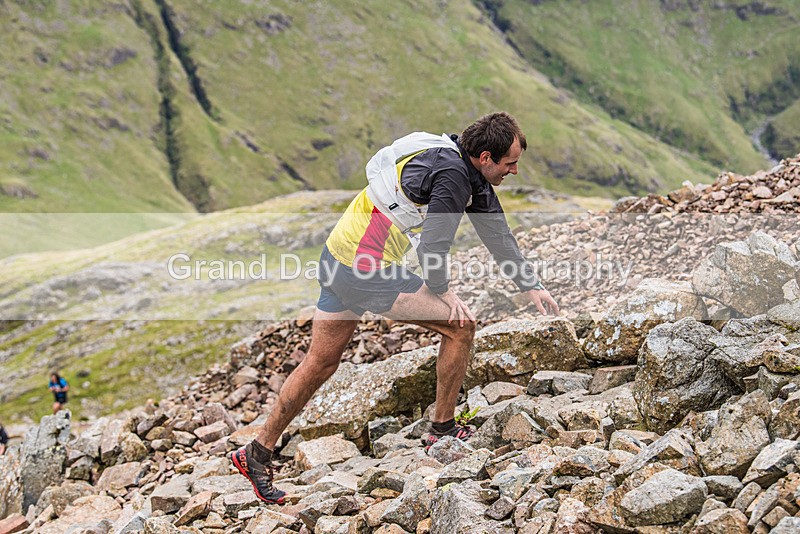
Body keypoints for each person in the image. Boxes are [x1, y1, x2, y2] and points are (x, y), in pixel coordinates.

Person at [230, 112, 559, 504]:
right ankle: (443, 431)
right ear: (486, 157)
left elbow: (496, 232)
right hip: (363, 268)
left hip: (335, 256)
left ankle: (256, 452)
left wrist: (530, 284)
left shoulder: (455, 159)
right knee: (460, 326)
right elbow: (434, 248)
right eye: (510, 163)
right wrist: (443, 292)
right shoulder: (454, 176)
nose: (515, 171)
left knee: (320, 362)